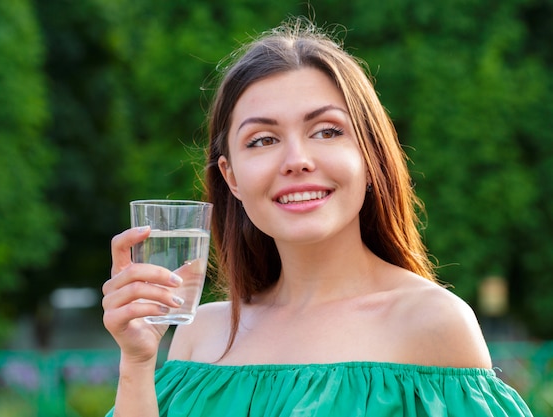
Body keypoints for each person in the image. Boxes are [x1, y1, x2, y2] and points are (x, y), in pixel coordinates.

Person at [102, 17, 533, 416]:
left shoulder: (431, 323)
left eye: (327, 131)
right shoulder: (201, 334)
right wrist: (137, 363)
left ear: (370, 156)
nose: (297, 160)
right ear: (231, 177)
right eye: (263, 139)